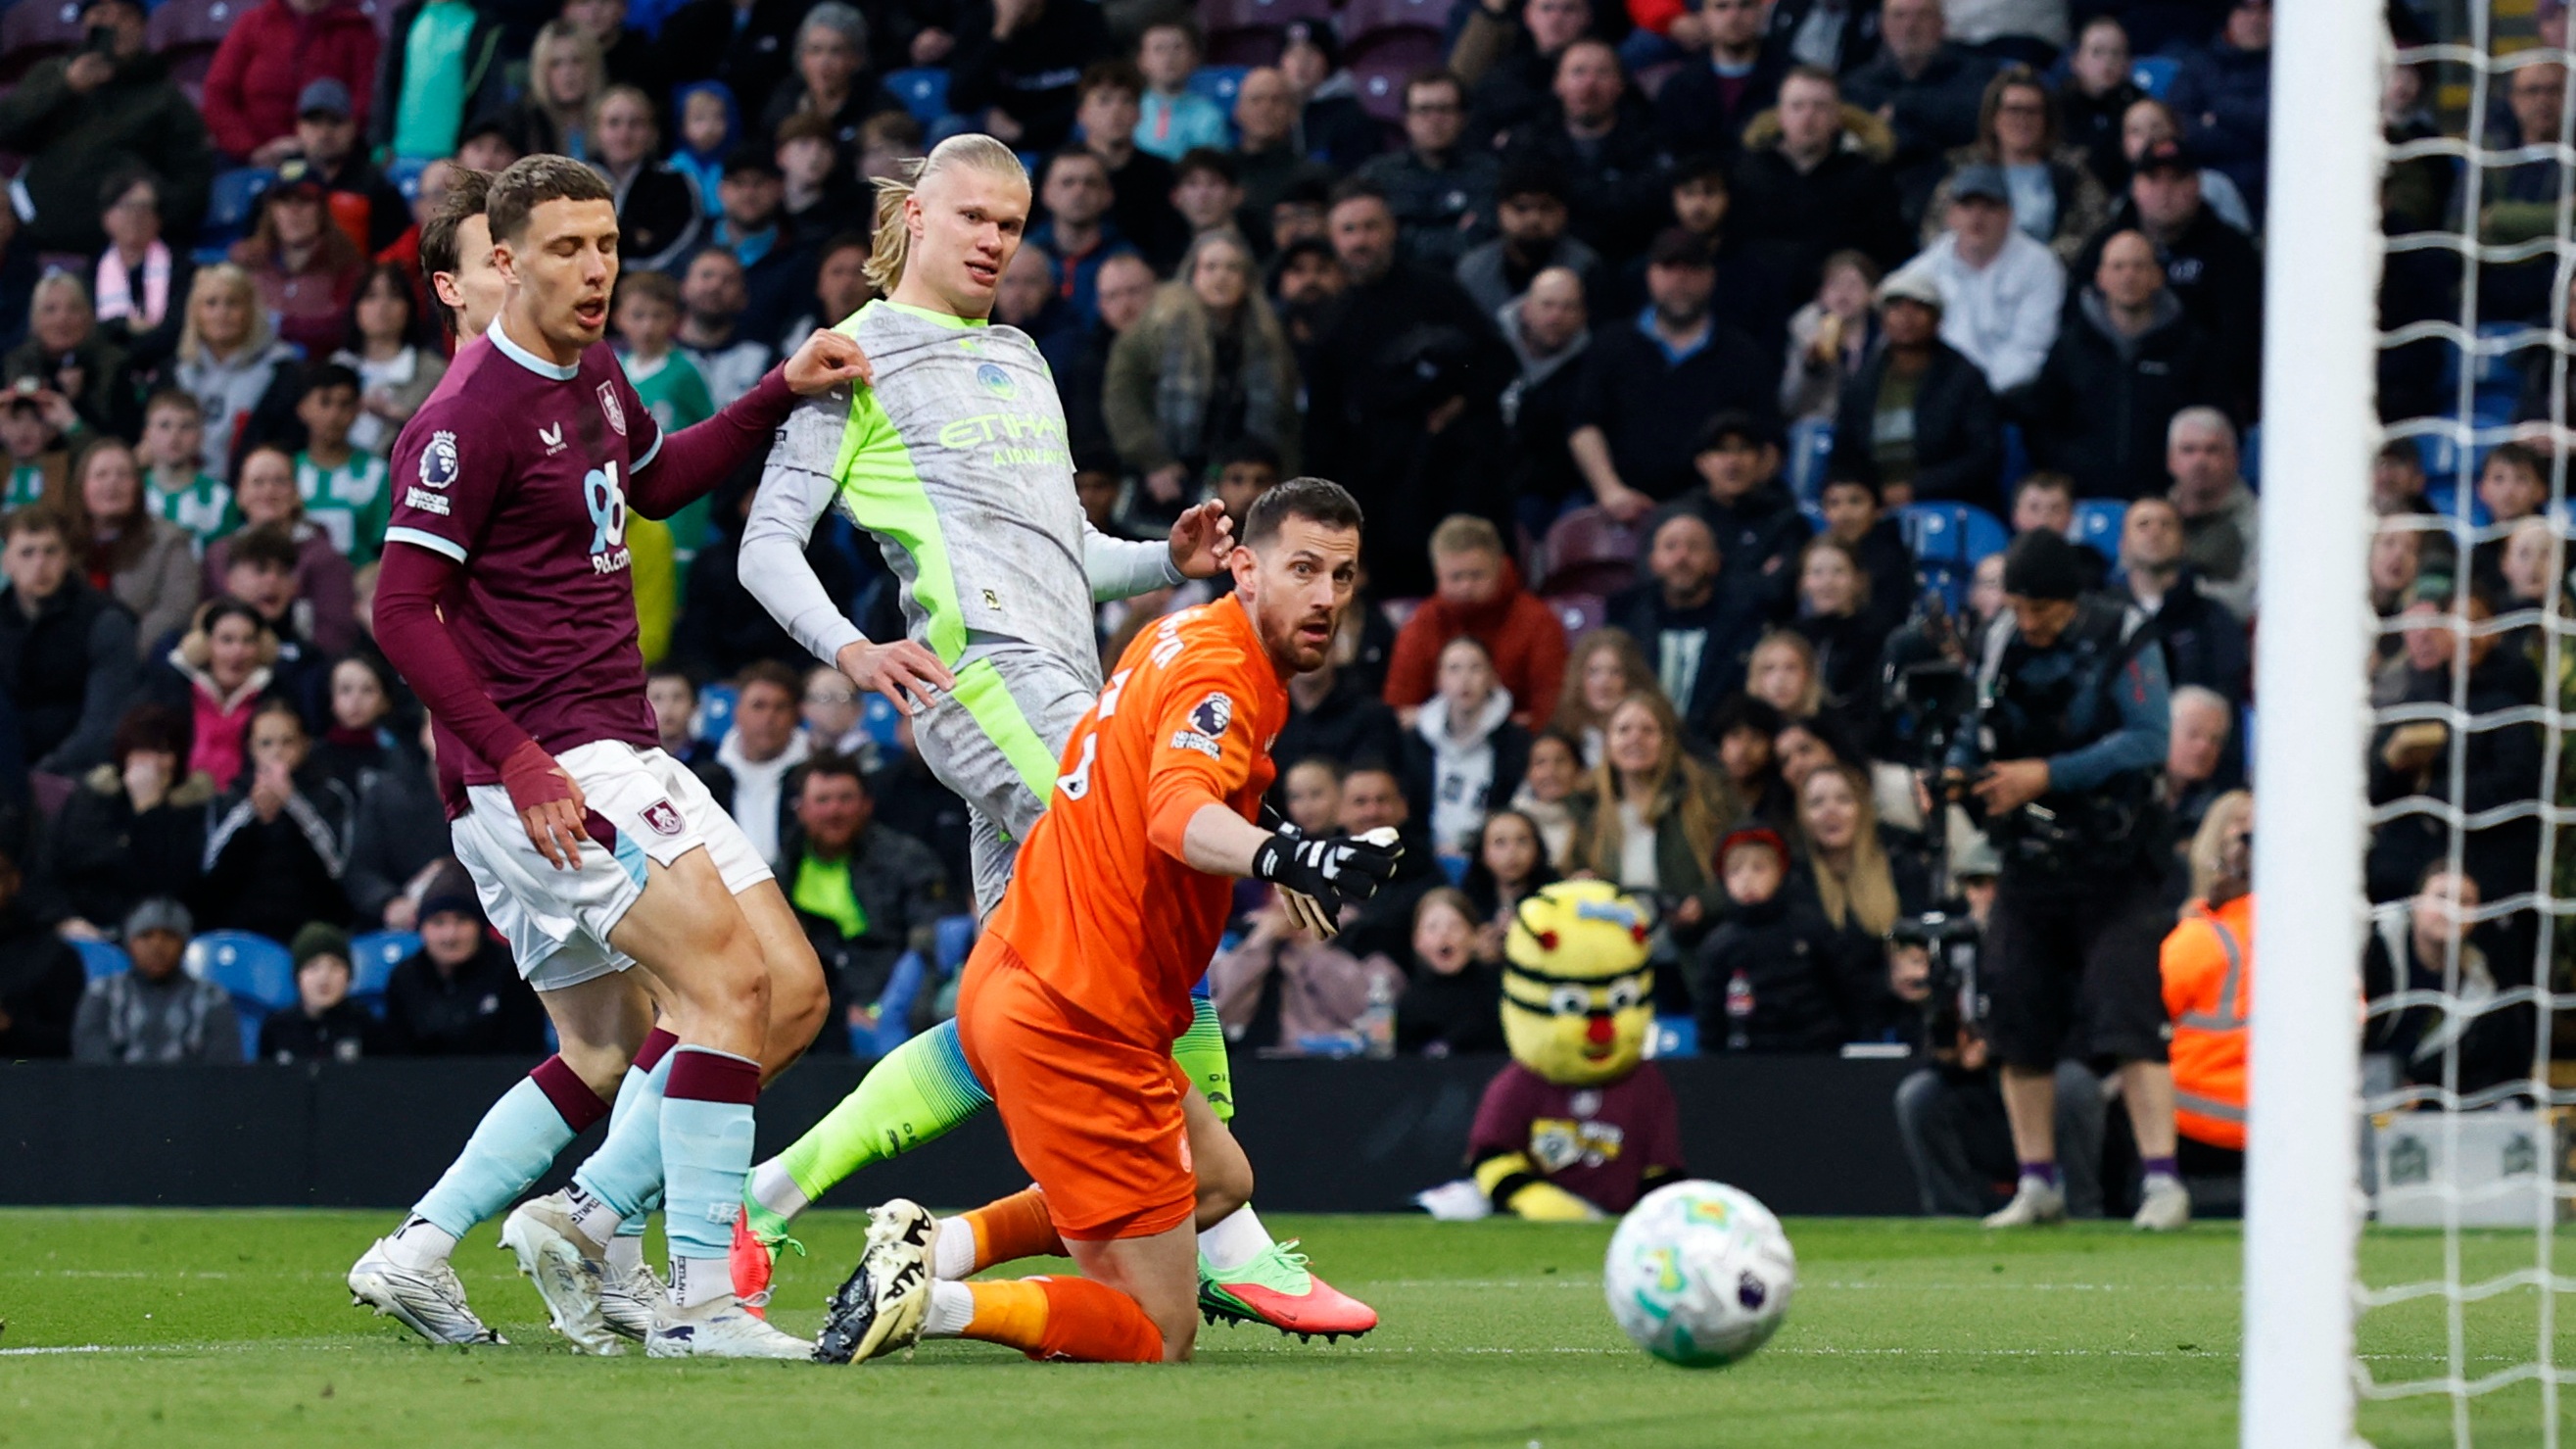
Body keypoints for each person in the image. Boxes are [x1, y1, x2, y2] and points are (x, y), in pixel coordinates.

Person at [733, 137, 1367, 1338]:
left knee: (1015, 1008)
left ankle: (769, 1197)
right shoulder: (854, 356)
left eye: (1010, 224)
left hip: (1065, 683)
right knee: (1153, 889)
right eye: (970, 215)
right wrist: (850, 650)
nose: (991, 239)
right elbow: (767, 543)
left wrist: (1154, 562)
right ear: (913, 215)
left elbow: (1054, 550)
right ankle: (1229, 1237)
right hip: (981, 684)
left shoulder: (1019, 354)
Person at [351, 155, 866, 1357]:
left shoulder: (592, 369)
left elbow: (654, 482)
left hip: (617, 748)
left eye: (608, 245)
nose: (596, 269)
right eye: (568, 249)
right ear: (502, 262)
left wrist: (778, 390)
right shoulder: (459, 420)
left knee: (776, 998)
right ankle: (697, 1301)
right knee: (722, 994)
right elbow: (398, 611)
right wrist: (522, 763)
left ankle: (485, 1236)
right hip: (553, 770)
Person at [814, 479, 1401, 1367]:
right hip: (1081, 1021)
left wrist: (1273, 828)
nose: (1325, 596)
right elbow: (1174, 814)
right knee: (1158, 1330)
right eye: (1304, 569)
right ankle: (933, 1304)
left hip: (1031, 971)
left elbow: (1149, 770)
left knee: (1221, 1180)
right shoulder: (1223, 673)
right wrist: (1291, 858)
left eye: (1344, 576)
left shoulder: (1176, 635)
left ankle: (932, 1245)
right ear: (1244, 567)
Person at [1952, 528, 2187, 1232]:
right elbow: (1977, 724)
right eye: (2019, 608)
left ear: (2070, 601)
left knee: (2127, 1014)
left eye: (2041, 611)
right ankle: (2036, 1181)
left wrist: (2047, 774)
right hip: (2029, 861)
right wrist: (1962, 770)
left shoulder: (2124, 633)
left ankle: (2163, 1180)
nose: (2029, 624)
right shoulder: (2000, 640)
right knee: (2016, 1014)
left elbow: (2149, 738)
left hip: (2118, 862)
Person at [1567, 229, 1779, 523]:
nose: (1680, 279)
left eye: (1692, 269)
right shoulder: (1609, 345)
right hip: (1618, 508)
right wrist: (1611, 491)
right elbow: (1583, 425)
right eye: (1668, 268)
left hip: (1717, 514)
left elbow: (1768, 443)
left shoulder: (1745, 356)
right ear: (1650, 275)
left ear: (1711, 277)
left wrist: (1727, 497)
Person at [1104, 229, 1304, 519]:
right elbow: (1122, 398)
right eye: (1210, 267)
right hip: (1171, 475)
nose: (1221, 277)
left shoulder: (1269, 336)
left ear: (1247, 277)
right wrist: (1153, 460)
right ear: (1193, 273)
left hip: (1248, 478)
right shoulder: (1156, 325)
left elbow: (1286, 415)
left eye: (1232, 268)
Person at [2010, 228, 2217, 501]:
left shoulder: (2190, 347)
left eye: (2139, 266)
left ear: (2157, 276)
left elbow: (2213, 422)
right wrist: (2072, 470)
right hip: (2083, 500)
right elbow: (2041, 424)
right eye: (2118, 267)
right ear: (2101, 278)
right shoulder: (2071, 347)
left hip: (2168, 501)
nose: (2128, 276)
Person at [2067, 138, 2264, 419]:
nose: (2165, 191)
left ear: (2196, 185)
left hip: (2201, 400)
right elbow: (2075, 327)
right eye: (2153, 179)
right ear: (2135, 186)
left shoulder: (2231, 251)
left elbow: (2242, 344)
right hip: (2109, 399)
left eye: (2177, 179)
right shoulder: (2104, 245)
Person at [0, 0, 213, 258]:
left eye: (124, 16)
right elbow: (9, 129)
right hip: (33, 231)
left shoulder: (165, 96)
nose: (112, 24)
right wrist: (65, 87)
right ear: (83, 26)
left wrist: (149, 213)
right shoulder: (53, 74)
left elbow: (192, 179)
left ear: (142, 28)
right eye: (101, 14)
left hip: (120, 241)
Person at [779, 751, 952, 1046]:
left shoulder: (908, 861)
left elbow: (930, 944)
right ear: (802, 810)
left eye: (846, 799)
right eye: (822, 800)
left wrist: (887, 1007)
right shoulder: (781, 872)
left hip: (893, 1004)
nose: (835, 811)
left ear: (866, 805)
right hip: (814, 1009)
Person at [1828, 268, 2002, 509]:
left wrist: (1916, 489)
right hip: (1875, 509)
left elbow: (1984, 457)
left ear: (1937, 319)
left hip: (1952, 505)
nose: (1906, 317)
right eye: (1896, 307)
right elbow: (1845, 455)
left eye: (1918, 308)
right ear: (1882, 319)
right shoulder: (1863, 382)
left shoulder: (1965, 379)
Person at [1886, 163, 2065, 393]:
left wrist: (1977, 395)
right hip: (1937, 396)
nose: (1977, 217)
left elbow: (2031, 348)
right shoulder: (1921, 273)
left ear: (2009, 215)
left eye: (1989, 207)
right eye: (1967, 206)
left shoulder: (2040, 265)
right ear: (1951, 215)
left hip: (2013, 396)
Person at [1382, 515, 1569, 729]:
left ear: (1499, 567)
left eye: (1477, 575)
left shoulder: (1539, 622)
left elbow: (1551, 713)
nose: (1466, 586)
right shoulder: (1422, 624)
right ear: (1437, 574)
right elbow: (1399, 710)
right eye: (1456, 577)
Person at [1693, 821, 1865, 1048]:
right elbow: (1710, 1023)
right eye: (1735, 870)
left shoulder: (1811, 928)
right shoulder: (1718, 946)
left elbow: (1851, 993)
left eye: (1759, 867)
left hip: (1819, 1056)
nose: (1747, 879)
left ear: (1781, 871)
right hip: (1750, 1063)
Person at [194, 699, 354, 942]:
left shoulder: (329, 796)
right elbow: (211, 867)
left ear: (305, 744)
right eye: (266, 743)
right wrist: (252, 810)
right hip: (241, 928)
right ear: (251, 748)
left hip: (313, 928)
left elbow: (337, 867)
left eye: (287, 742)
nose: (276, 751)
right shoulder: (229, 798)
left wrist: (292, 802)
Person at [1568, 692, 1727, 933]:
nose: (1635, 739)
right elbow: (1569, 874)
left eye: (1648, 731)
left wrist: (1704, 903)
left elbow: (1736, 868)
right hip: (1615, 952)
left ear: (1666, 742)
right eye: (1623, 730)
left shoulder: (1704, 798)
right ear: (1608, 744)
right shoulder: (1588, 808)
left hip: (1690, 952)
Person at [1502, 40, 1671, 265]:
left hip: (1629, 256)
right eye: (1578, 72)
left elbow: (1649, 204)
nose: (1589, 84)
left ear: (1620, 85)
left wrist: (1570, 195)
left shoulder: (1648, 139)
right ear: (1557, 83)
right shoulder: (1529, 141)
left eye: (1602, 72)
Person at [1921, 67, 2110, 262]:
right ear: (1994, 117)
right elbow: (1935, 231)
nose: (2022, 120)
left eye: (2032, 111)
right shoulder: (1967, 171)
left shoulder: (2072, 171)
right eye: (2013, 110)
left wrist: (2042, 262)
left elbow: (2096, 229)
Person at [0, 505, 135, 776]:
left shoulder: (105, 621)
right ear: (7, 562)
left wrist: (39, 777)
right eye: (27, 553)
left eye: (51, 551)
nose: (40, 564)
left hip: (77, 774)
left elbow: (102, 729)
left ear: (66, 558)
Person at [1838, 0, 1998, 223]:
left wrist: (1902, 108)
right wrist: (1936, 128)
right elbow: (1858, 147)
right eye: (1899, 16)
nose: (1910, 26)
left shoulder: (1976, 76)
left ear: (1942, 24)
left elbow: (1979, 126)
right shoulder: (1857, 85)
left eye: (1922, 15)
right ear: (1882, 25)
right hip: (1875, 205)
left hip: (1956, 199)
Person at [1608, 509, 1757, 733]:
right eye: (1670, 547)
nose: (1682, 557)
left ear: (1715, 562)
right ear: (1653, 562)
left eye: (1694, 547)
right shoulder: (1624, 618)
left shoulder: (1742, 624)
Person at [1207, 891, 1397, 1053]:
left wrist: (1312, 950)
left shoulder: (1364, 941)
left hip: (1336, 1064)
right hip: (1257, 1061)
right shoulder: (1243, 938)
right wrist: (1259, 943)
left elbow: (1365, 1012)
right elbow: (1221, 1009)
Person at [205, 456, 358, 656]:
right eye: (258, 482)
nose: (269, 492)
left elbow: (337, 636)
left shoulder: (327, 558)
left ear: (296, 492)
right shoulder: (218, 555)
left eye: (280, 481)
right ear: (240, 494)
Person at [379, 876, 548, 1056]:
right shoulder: (405, 977)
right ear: (421, 928)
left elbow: (525, 1049)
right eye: (438, 922)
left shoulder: (512, 971)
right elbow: (397, 1057)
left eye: (462, 920)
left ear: (480, 926)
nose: (450, 936)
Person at [1353, 71, 1500, 274]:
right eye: (1423, 110)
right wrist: (1457, 234)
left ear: (1463, 118)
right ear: (1407, 119)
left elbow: (1485, 239)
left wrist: (1409, 236)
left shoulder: (1489, 173)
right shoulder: (1377, 176)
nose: (1434, 119)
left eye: (1445, 110)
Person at [1401, 637, 1534, 855]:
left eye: (1475, 668)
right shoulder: (1416, 741)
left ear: (1492, 678)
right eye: (1454, 669)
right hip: (1425, 858)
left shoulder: (1516, 742)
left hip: (1492, 860)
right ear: (1439, 680)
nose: (1465, 679)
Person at [66, 438, 196, 657]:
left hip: (139, 659)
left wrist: (120, 650)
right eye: (101, 475)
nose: (112, 484)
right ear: (82, 487)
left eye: (123, 475)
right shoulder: (59, 542)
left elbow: (176, 610)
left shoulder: (170, 541)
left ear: (138, 486)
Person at [72, 896, 239, 1063]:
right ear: (130, 944)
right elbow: (92, 1064)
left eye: (169, 936)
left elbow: (221, 1071)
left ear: (184, 945)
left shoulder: (212, 997)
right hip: (117, 1088)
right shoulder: (102, 994)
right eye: (146, 936)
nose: (157, 946)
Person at [2118, 496, 2248, 703]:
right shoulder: (2105, 614)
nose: (2155, 533)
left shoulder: (2213, 618)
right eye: (2143, 525)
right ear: (2122, 544)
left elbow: (2224, 693)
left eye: (2166, 525)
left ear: (2183, 543)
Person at [229, 167, 367, 361]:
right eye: (284, 201)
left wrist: (281, 324)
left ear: (322, 209)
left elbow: (347, 325)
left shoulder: (347, 267)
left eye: (304, 201)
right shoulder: (249, 263)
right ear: (272, 211)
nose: (294, 211)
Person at [942, 0, 1116, 153]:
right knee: (950, 128)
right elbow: (959, 98)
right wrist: (1000, 33)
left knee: (1097, 120)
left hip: (1061, 123)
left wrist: (1027, 130)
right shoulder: (977, 17)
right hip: (999, 126)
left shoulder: (1081, 16)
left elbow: (1100, 89)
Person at [2164, 0, 2271, 224]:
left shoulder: (2291, 68)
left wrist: (2218, 112)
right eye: (2246, 8)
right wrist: (2249, 134)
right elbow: (2179, 129)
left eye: (2265, 9)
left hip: (2270, 187)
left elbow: (2275, 127)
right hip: (2206, 192)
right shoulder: (2199, 66)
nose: (2256, 19)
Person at [371, 0, 512, 166]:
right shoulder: (408, 17)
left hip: (453, 160)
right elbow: (387, 84)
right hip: (397, 155)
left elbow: (487, 96)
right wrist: (380, 140)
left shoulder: (482, 25)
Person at [1455, 164, 1603, 318]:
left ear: (1563, 212)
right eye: (1521, 208)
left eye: (1546, 208)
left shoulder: (1586, 268)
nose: (1534, 219)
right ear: (1500, 210)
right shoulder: (1472, 271)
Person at [1373, 887, 1508, 1057]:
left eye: (1455, 926)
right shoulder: (1411, 1002)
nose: (1444, 935)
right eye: (1432, 927)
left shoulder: (1499, 987)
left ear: (1474, 935)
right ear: (1417, 941)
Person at [333, 266, 447, 459]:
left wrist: (399, 416)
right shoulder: (337, 366)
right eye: (370, 296)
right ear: (356, 307)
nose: (382, 306)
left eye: (394, 296)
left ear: (409, 307)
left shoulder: (435, 373)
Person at [91, 171, 199, 378]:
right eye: (126, 207)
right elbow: (91, 333)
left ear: (158, 219)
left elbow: (177, 329)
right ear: (106, 217)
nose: (136, 216)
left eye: (145, 207)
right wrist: (125, 325)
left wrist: (123, 335)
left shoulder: (183, 269)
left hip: (169, 368)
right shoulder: (91, 272)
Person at [590, 87, 705, 276]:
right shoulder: (575, 181)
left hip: (655, 282)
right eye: (613, 123)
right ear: (597, 131)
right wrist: (633, 235)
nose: (624, 134)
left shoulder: (674, 182)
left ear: (652, 131)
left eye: (635, 124)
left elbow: (674, 245)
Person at [1655, 0, 1789, 164]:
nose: (1733, 16)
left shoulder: (1791, 81)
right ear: (1703, 16)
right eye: (1721, 6)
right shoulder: (1678, 89)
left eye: (1745, 5)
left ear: (1763, 12)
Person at [2166, 407, 2259, 618]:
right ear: (2170, 460)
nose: (2200, 462)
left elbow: (2252, 598)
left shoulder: (2264, 522)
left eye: (2212, 450)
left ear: (2234, 459)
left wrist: (2178, 598)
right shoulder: (2153, 518)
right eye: (2188, 450)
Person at [0, 842, 84, 1058]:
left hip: (22, 1076)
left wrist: (11, 1026)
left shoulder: (52, 955)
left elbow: (73, 1041)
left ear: (13, 881)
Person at [261, 922, 387, 1062]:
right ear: (297, 976)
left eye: (335, 966)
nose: (324, 978)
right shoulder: (277, 1027)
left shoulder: (364, 1024)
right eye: (313, 967)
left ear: (349, 975)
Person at [1781, 250, 1883, 423]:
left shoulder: (1885, 335)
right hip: (1822, 423)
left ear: (1872, 294)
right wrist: (1811, 369)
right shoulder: (1805, 332)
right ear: (1821, 293)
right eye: (1835, 285)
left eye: (1853, 285)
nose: (1843, 294)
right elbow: (1789, 403)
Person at [674, 248, 776, 409]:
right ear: (684, 287)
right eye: (706, 275)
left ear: (743, 298)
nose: (715, 286)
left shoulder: (763, 359)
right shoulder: (655, 352)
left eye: (728, 280)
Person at [2056, 16, 2142, 189]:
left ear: (2129, 63)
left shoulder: (2138, 105)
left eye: (2117, 53)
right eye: (2097, 52)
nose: (2108, 61)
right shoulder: (2057, 106)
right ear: (2076, 61)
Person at [1131, 19, 1225, 162]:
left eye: (1178, 48)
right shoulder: (1128, 110)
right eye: (1159, 49)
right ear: (1141, 60)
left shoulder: (1209, 116)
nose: (1169, 57)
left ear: (1194, 58)